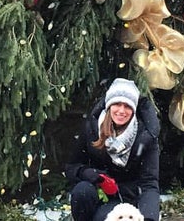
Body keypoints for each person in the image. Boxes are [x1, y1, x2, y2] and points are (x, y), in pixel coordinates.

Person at [65, 78, 161, 221]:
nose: (121, 111)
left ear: (133, 110)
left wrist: (149, 218)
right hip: (97, 192)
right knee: (81, 191)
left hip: (125, 199)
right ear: (109, 105)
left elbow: (149, 183)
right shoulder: (92, 129)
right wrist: (90, 173)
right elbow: (72, 166)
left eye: (127, 106)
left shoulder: (145, 137)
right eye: (117, 104)